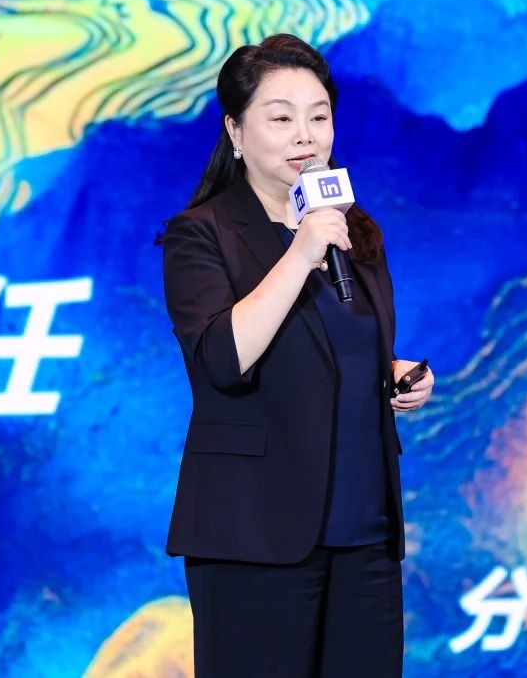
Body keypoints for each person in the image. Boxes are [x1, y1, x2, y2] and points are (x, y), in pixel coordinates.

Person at [159, 34, 435, 677]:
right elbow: (222, 361)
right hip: (255, 533)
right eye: (281, 118)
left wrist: (394, 375)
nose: (305, 136)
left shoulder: (352, 228)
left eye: (319, 116)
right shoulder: (201, 234)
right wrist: (300, 252)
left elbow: (347, 349)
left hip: (364, 529)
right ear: (235, 131)